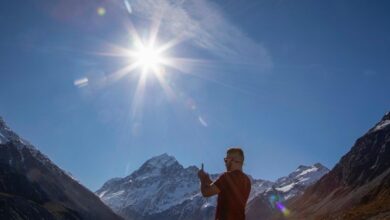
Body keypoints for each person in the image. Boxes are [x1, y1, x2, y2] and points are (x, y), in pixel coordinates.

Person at [198, 147, 251, 220]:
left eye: (226, 160)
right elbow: (224, 190)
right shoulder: (247, 181)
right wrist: (208, 180)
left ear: (233, 160)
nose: (225, 163)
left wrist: (202, 179)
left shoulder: (227, 177)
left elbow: (206, 193)